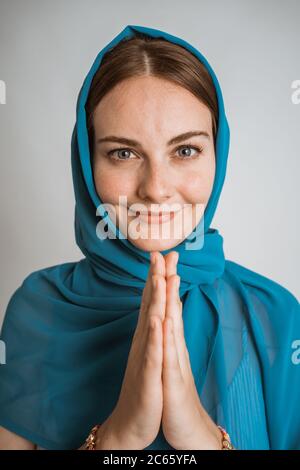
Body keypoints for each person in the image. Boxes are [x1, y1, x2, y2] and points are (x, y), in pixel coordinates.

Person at [0, 24, 299, 451]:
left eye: (185, 150)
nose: (156, 188)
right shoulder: (36, 310)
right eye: (123, 153)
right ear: (86, 163)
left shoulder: (277, 317)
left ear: (219, 153)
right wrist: (119, 437)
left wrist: (200, 437)